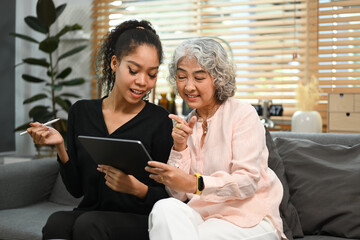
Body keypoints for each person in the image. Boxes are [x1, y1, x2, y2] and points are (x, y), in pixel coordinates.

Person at [26, 20, 173, 240]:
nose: (143, 82)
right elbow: (77, 190)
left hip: (141, 219)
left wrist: (136, 189)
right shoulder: (82, 112)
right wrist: (60, 147)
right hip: (92, 213)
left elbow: (171, 198)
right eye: (133, 70)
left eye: (151, 74)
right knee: (56, 222)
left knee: (90, 223)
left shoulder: (160, 121)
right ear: (115, 63)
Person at [146, 38, 286, 240]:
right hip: (204, 217)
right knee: (164, 208)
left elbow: (246, 182)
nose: (189, 86)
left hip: (249, 219)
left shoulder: (242, 114)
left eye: (199, 78)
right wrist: (180, 146)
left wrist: (196, 184)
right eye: (182, 77)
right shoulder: (187, 123)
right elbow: (177, 195)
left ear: (218, 78)